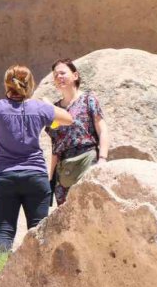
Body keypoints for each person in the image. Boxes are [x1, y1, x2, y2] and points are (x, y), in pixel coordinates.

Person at [0, 64, 72, 253]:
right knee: (39, 231)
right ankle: (39, 278)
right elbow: (68, 118)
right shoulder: (39, 108)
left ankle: (1, 278)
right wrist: (48, 105)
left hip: (5, 177)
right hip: (36, 176)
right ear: (30, 85)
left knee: (4, 231)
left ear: (7, 85)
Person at [46, 58, 110, 206]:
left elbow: (102, 129)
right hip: (63, 169)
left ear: (75, 75)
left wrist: (102, 159)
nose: (59, 77)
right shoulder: (54, 108)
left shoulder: (88, 99)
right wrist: (50, 178)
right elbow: (55, 146)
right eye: (56, 75)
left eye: (62, 73)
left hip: (88, 160)